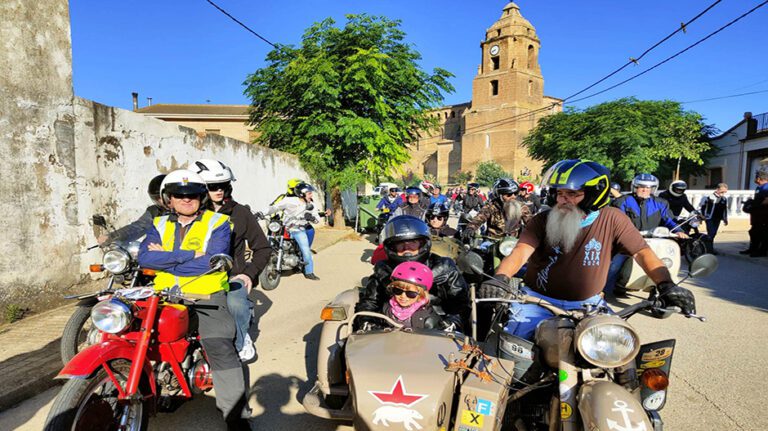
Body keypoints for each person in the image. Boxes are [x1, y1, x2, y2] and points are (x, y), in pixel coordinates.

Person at [482, 159, 696, 341]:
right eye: (559, 193)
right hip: (536, 301)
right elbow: (520, 251)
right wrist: (500, 278)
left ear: (594, 194)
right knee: (513, 355)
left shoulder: (613, 219)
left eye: (572, 194)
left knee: (622, 354)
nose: (561, 200)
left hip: (589, 305)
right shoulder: (542, 220)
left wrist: (666, 284)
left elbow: (643, 253)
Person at [137, 169, 249, 429]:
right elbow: (145, 259)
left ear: (202, 198)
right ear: (169, 199)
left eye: (193, 195)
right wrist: (192, 254)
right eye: (179, 195)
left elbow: (212, 262)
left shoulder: (218, 222)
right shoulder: (158, 224)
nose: (186, 200)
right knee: (135, 336)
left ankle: (237, 417)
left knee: (221, 347)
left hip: (207, 297)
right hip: (164, 297)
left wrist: (167, 257)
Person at [195, 159, 270, 362]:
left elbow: (263, 248)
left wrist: (248, 273)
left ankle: (241, 338)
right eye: (212, 187)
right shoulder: (192, 214)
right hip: (196, 276)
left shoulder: (241, 213)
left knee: (236, 304)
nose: (219, 191)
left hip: (232, 275)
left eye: (223, 186)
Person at [356, 215, 470, 331]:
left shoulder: (444, 267)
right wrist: (367, 320)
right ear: (391, 246)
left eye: (413, 242)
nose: (407, 248)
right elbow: (370, 301)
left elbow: (461, 303)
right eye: (400, 244)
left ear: (423, 244)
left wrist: (453, 322)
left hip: (436, 328)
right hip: (389, 327)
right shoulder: (383, 269)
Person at [263, 182, 322, 280]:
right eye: (309, 193)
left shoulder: (311, 205)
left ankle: (309, 272)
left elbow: (317, 219)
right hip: (285, 228)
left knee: (306, 251)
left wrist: (311, 218)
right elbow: (275, 207)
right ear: (302, 194)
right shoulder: (289, 201)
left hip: (298, 229)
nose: (311, 195)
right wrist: (262, 213)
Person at [97, 174, 167, 245]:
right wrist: (112, 237)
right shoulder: (154, 212)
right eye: (157, 198)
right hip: (158, 252)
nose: (161, 201)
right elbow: (138, 227)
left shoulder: (177, 211)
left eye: (162, 196)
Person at [463, 178, 531, 241]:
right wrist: (470, 228)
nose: (513, 196)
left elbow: (531, 222)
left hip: (513, 242)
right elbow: (479, 218)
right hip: (493, 241)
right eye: (509, 194)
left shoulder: (521, 206)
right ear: (499, 195)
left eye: (515, 193)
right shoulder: (490, 206)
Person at [381, 261, 442, 329]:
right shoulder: (386, 308)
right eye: (398, 290)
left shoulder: (428, 316)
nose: (403, 296)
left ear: (421, 295)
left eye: (411, 294)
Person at [742, 169, 768, 257]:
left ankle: (761, 251)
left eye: (756, 177)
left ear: (759, 178)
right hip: (756, 216)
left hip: (764, 216)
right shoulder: (759, 187)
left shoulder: (766, 187)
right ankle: (752, 249)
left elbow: (766, 200)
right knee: (753, 232)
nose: (755, 178)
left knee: (762, 233)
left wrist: (755, 205)